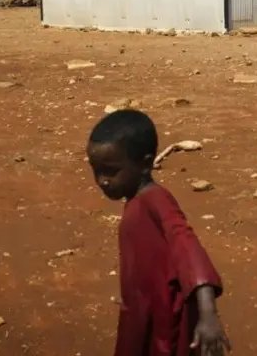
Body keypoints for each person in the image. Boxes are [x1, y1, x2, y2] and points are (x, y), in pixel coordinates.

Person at [87, 109, 231, 356]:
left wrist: (208, 315)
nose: (102, 180)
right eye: (96, 170)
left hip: (165, 321)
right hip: (142, 314)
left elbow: (188, 247)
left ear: (145, 164)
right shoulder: (136, 200)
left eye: (110, 171)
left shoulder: (156, 200)